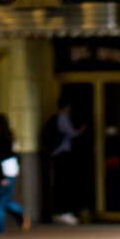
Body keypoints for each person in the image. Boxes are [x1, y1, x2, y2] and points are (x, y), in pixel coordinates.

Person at [40, 91, 83, 224]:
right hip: (62, 154)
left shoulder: (58, 117)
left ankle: (60, 212)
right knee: (63, 183)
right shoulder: (63, 117)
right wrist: (81, 130)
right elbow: (71, 133)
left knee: (61, 183)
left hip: (58, 154)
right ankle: (62, 212)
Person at [0, 113, 27, 234]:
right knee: (2, 199)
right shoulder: (11, 137)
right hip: (9, 171)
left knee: (0, 201)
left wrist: (2, 176)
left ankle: (0, 227)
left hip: (2, 172)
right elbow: (17, 155)